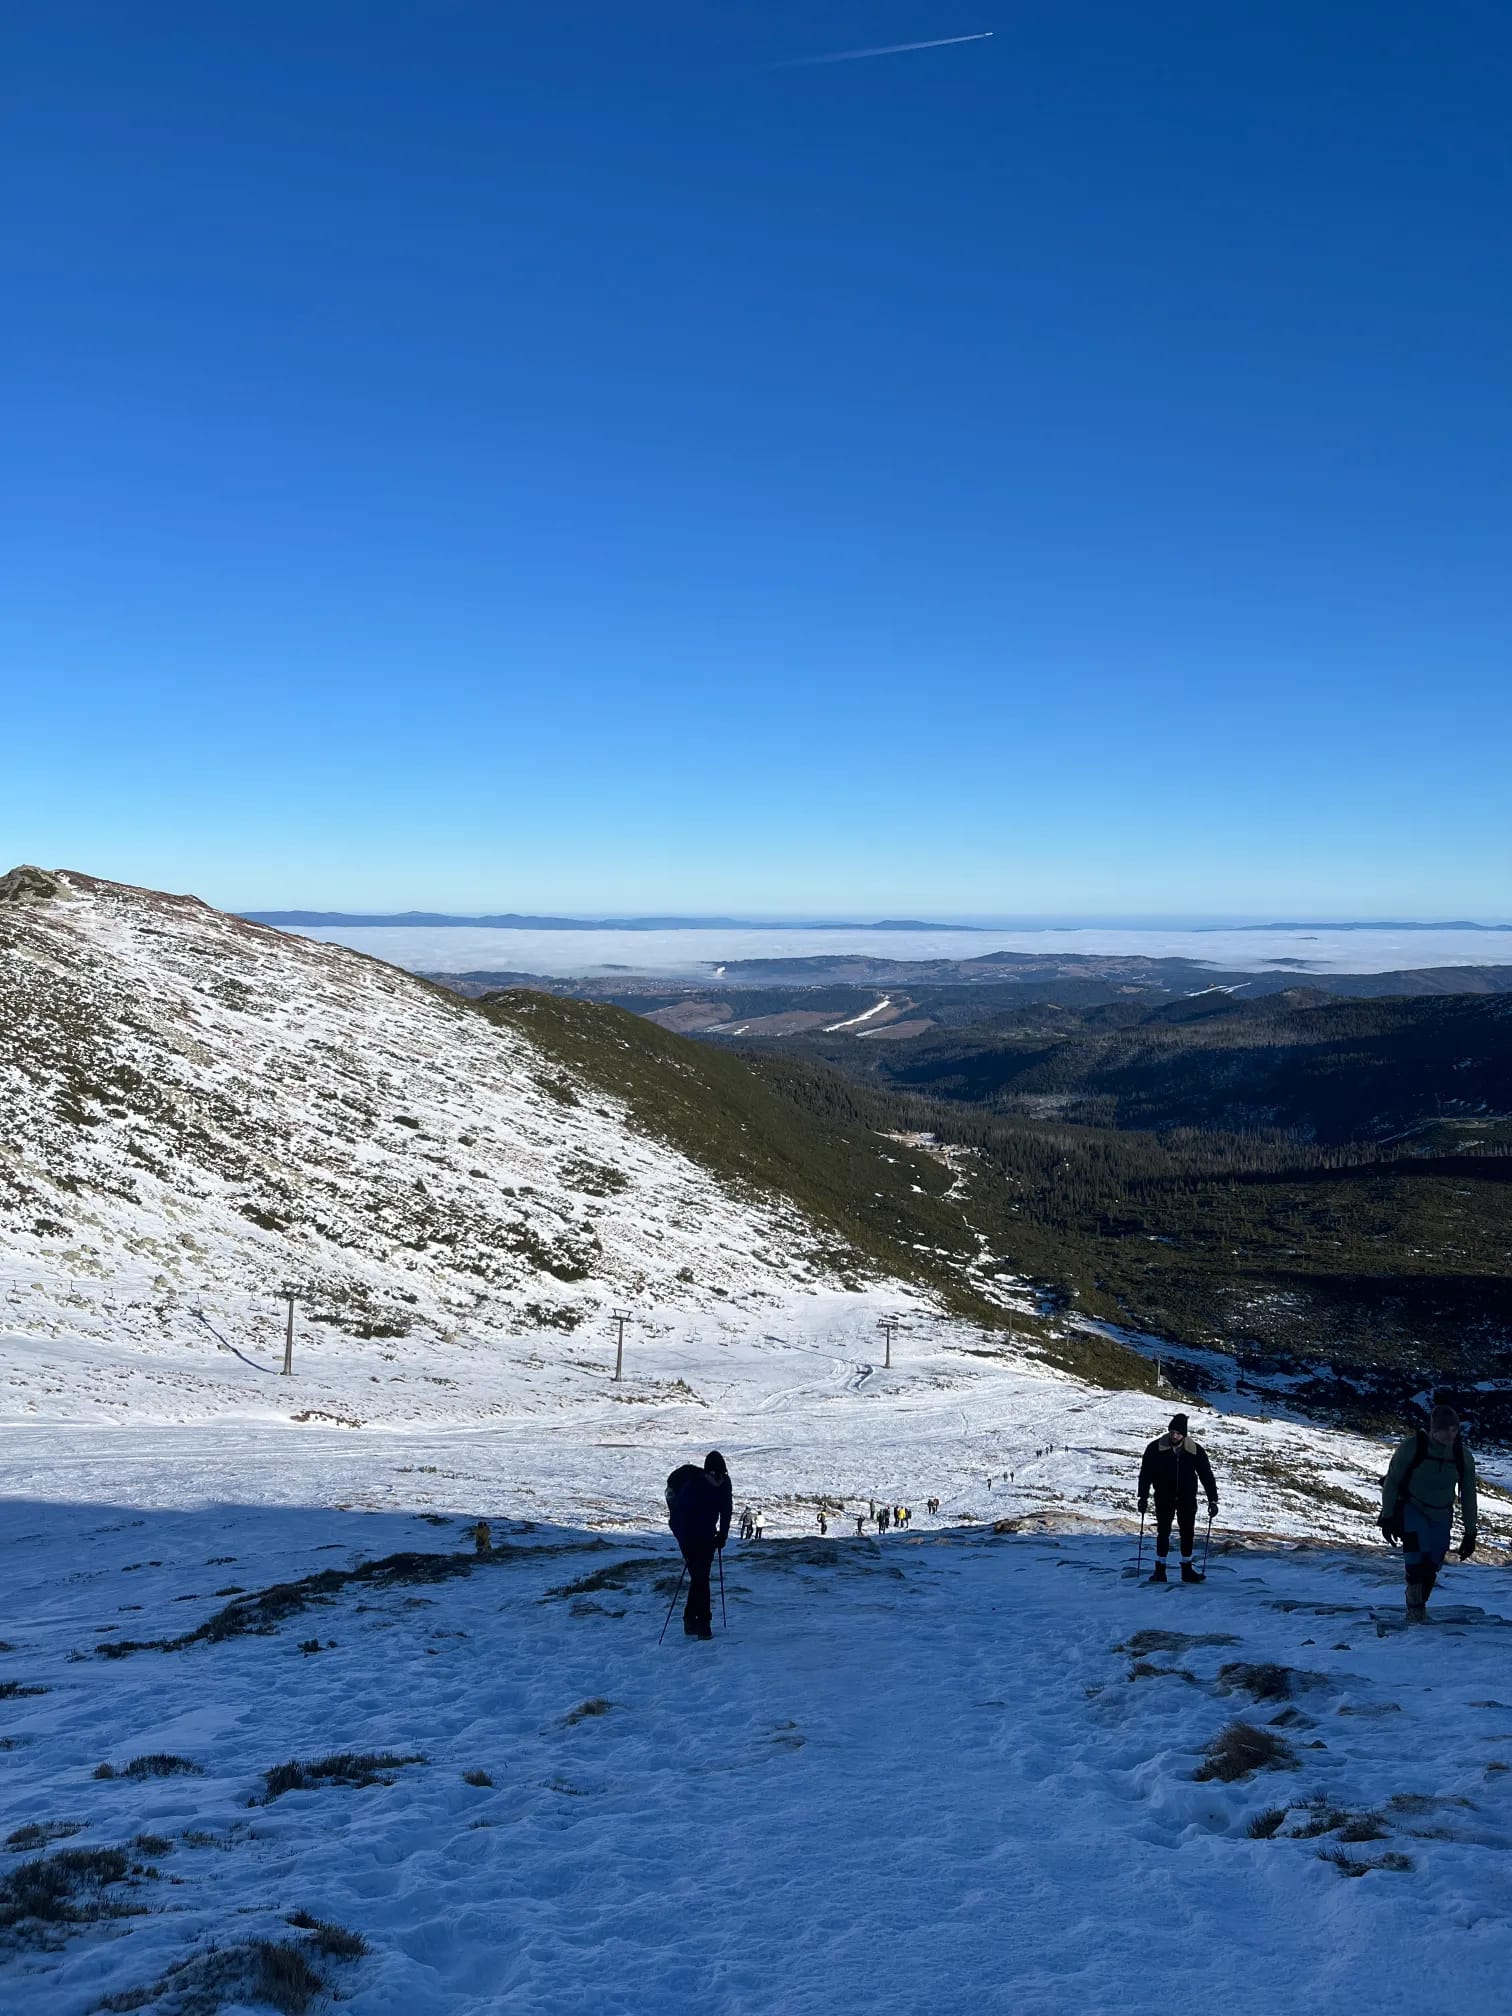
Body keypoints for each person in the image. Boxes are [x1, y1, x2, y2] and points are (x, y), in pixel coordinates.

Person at [1379, 1404, 1478, 1621]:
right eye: (1446, 1430)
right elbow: (1392, 1482)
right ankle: (1415, 1609)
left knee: (1433, 1563)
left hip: (1442, 1512)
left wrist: (1471, 1532)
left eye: (1455, 1430)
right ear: (1434, 1429)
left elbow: (1469, 1494)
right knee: (1416, 1558)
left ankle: (1419, 1601)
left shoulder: (1462, 1456)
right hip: (1412, 1507)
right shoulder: (1412, 1448)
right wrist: (1387, 1516)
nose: (1451, 1434)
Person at [1137, 1413, 1218, 1583]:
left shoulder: (1195, 1450)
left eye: (1178, 1433)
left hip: (1187, 1498)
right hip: (1163, 1496)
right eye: (1172, 1432)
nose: (1174, 1436)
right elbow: (1146, 1473)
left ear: (1184, 1434)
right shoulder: (1155, 1448)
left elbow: (1206, 1475)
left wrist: (1213, 1499)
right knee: (1163, 1532)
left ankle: (1186, 1570)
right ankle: (1160, 1570)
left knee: (1187, 1532)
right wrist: (1142, 1497)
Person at [664, 1451, 732, 1640]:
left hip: (708, 1535)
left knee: (700, 1578)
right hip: (689, 1537)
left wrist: (723, 1534)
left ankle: (690, 1620)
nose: (719, 1479)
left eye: (722, 1475)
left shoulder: (725, 1484)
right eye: (714, 1475)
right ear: (706, 1473)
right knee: (700, 1577)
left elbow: (726, 1509)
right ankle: (703, 1624)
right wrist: (687, 1545)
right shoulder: (693, 1486)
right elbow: (678, 1520)